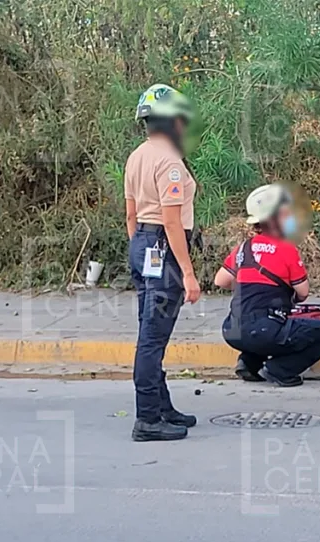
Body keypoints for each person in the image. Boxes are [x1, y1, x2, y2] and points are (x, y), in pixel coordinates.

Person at [124, 84, 201, 442]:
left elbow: (130, 215)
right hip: (164, 247)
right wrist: (187, 273)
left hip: (143, 243)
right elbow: (171, 222)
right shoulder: (169, 162)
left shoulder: (137, 156)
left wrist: (141, 252)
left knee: (150, 332)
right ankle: (148, 418)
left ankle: (162, 406)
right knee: (153, 339)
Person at [214, 184, 320, 387]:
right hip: (265, 329)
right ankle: (280, 370)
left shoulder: (243, 248)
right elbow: (303, 292)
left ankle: (248, 362)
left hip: (232, 330)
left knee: (267, 330)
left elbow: (220, 280)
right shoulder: (286, 249)